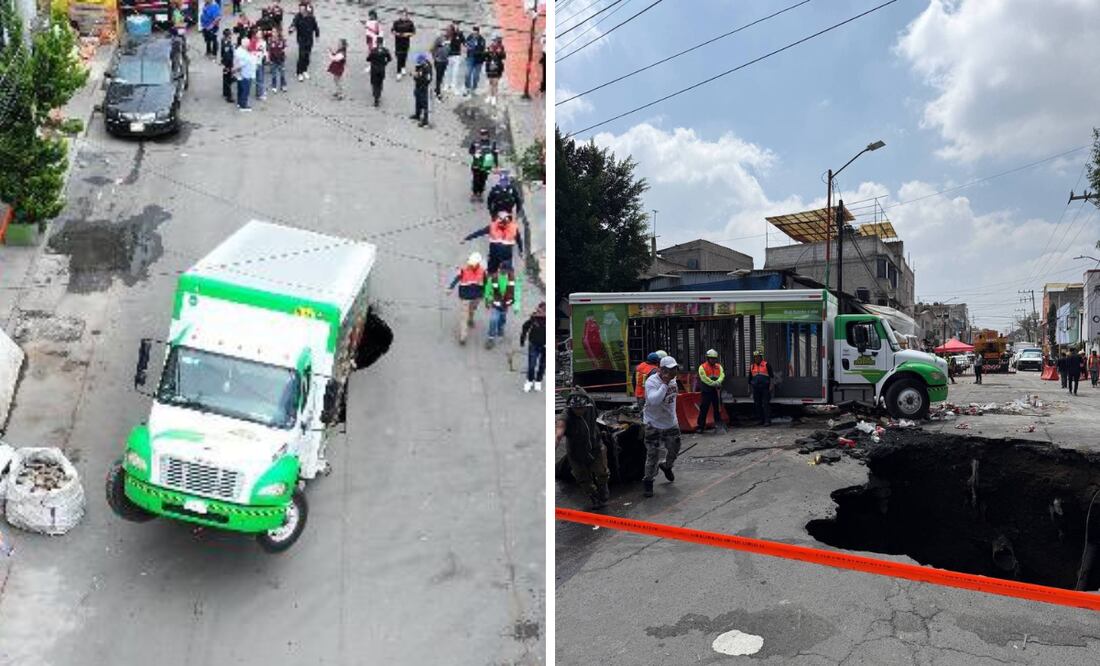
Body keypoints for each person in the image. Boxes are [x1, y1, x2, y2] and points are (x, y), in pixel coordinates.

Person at [556, 391, 610, 509]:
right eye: (576, 409)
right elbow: (559, 432)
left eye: (581, 408)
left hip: (594, 447)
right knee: (583, 478)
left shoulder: (590, 407)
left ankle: (603, 488)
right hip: (576, 453)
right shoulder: (566, 416)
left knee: (602, 472)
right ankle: (594, 496)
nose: (579, 411)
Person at [643, 355, 681, 498]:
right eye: (670, 370)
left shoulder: (673, 380)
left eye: (674, 370)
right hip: (654, 424)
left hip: (671, 423)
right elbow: (654, 401)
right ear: (662, 370)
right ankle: (648, 481)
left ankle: (667, 466)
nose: (673, 373)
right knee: (652, 455)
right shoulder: (652, 382)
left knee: (674, 449)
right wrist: (664, 383)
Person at [464, 209, 523, 274]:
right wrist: (521, 250)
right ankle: (510, 279)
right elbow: (519, 240)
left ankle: (493, 276)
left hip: (495, 254)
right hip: (506, 254)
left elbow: (479, 232)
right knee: (509, 270)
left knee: (492, 270)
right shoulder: (513, 227)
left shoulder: (493, 226)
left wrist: (467, 238)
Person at [447, 251, 486, 345]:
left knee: (472, 310)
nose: (470, 265)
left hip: (476, 297)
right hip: (465, 296)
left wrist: (486, 295)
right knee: (464, 316)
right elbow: (456, 279)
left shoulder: (483, 271)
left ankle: (471, 318)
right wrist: (450, 288)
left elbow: (486, 283)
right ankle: (463, 336)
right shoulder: (464, 270)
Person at [483, 261, 519, 349]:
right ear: (500, 269)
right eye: (503, 270)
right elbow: (487, 289)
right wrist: (487, 300)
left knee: (502, 319)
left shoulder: (514, 280)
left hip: (505, 304)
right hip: (495, 303)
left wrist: (516, 306)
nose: (504, 272)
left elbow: (517, 292)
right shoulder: (493, 278)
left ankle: (500, 329)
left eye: (506, 270)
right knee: (493, 319)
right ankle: (491, 338)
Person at [696, 349, 726, 433]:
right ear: (708, 358)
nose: (713, 360)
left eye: (714, 358)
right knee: (704, 408)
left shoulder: (719, 366)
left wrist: (718, 381)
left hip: (716, 391)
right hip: (706, 391)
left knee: (717, 409)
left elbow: (722, 375)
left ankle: (718, 425)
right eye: (711, 358)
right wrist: (714, 383)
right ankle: (700, 426)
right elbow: (704, 378)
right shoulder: (702, 367)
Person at [520, 302, 546, 392]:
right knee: (532, 364)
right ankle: (529, 381)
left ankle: (538, 381)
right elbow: (525, 327)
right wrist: (522, 339)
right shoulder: (534, 318)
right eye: (540, 309)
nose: (541, 312)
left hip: (545, 346)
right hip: (533, 344)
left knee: (542, 365)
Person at [289, 2, 318, 81]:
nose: (301, 10)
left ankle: (305, 70)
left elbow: (315, 26)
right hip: (301, 39)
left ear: (305, 9)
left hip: (309, 39)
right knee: (301, 56)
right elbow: (293, 24)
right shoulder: (297, 17)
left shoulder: (311, 17)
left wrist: (317, 35)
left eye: (302, 9)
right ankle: (299, 73)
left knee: (307, 56)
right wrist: (291, 29)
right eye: (300, 9)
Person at [468, 127, 497, 200]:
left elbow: (494, 154)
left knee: (483, 180)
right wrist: (474, 154)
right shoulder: (475, 142)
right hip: (476, 165)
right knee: (476, 180)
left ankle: (480, 193)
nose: (483, 136)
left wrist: (495, 164)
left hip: (486, 165)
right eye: (482, 135)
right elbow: (471, 151)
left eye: (485, 135)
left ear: (488, 135)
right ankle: (474, 193)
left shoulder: (492, 143)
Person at [367, 37, 393, 107]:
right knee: (380, 82)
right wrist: (385, 63)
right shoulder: (385, 50)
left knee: (374, 83)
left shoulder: (373, 50)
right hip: (381, 69)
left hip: (374, 69)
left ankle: (376, 98)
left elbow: (368, 59)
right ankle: (379, 94)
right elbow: (390, 59)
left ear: (376, 43)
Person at [749, 351, 773, 426]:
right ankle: (761, 420)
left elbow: (771, 376)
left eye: (758, 357)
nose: (757, 358)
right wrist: (749, 389)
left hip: (765, 388)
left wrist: (771, 386)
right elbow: (750, 379)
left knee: (765, 404)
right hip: (756, 388)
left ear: (761, 357)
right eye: (755, 357)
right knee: (757, 404)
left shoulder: (766, 365)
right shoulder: (752, 366)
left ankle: (767, 421)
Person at [232, 39, 256, 110]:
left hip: (242, 74)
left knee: (241, 89)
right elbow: (240, 64)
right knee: (245, 90)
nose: (249, 45)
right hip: (245, 74)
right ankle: (243, 105)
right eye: (248, 43)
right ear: (244, 44)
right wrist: (235, 69)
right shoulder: (241, 53)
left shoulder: (239, 50)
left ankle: (240, 103)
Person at [391, 7, 416, 79]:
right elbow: (392, 30)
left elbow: (413, 32)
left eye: (405, 15)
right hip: (398, 42)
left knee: (405, 55)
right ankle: (398, 72)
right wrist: (396, 33)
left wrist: (407, 34)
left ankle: (403, 67)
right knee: (399, 56)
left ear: (407, 15)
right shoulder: (396, 22)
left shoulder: (410, 23)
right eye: (402, 15)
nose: (403, 16)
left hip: (406, 42)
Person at [410, 53, 432, 127]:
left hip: (423, 87)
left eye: (419, 61)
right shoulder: (420, 66)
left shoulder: (427, 67)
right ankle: (417, 115)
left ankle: (425, 120)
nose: (417, 62)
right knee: (418, 101)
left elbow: (427, 79)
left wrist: (416, 76)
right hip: (418, 86)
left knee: (424, 104)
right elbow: (418, 72)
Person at [463, 25, 485, 95]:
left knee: (476, 76)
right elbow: (465, 43)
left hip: (478, 61)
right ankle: (467, 88)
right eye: (473, 33)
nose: (474, 34)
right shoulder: (470, 37)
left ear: (478, 33)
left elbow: (481, 50)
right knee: (467, 74)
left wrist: (473, 48)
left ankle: (474, 89)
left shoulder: (482, 40)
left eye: (476, 33)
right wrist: (466, 46)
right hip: (470, 58)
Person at [483, 35, 505, 106]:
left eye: (494, 40)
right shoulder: (489, 47)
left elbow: (504, 57)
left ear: (497, 41)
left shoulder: (501, 47)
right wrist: (487, 52)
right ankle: (489, 96)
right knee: (490, 82)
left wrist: (499, 53)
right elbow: (484, 56)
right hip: (490, 67)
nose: (493, 42)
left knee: (495, 83)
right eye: (492, 40)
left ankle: (494, 97)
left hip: (497, 67)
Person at [248, 27, 268, 102]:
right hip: (256, 62)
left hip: (262, 61)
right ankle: (259, 94)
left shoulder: (263, 41)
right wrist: (258, 52)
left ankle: (260, 91)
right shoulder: (253, 41)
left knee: (261, 77)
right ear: (255, 34)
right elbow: (251, 53)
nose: (260, 34)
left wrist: (266, 55)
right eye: (259, 33)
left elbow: (265, 50)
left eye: (261, 33)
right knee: (259, 78)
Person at [445, 20, 464, 93]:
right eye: (455, 24)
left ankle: (453, 86)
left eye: (458, 24)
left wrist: (465, 48)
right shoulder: (449, 32)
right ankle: (446, 85)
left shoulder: (460, 33)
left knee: (455, 72)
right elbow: (445, 41)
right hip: (449, 55)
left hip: (457, 55)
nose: (456, 26)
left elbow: (464, 42)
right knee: (448, 71)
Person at [268, 26, 288, 92]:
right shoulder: (270, 40)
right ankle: (274, 85)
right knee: (274, 74)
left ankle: (283, 85)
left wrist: (284, 51)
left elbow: (285, 47)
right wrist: (269, 58)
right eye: (272, 31)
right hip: (273, 60)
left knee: (282, 73)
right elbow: (269, 50)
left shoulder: (281, 40)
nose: (273, 33)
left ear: (278, 32)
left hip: (281, 59)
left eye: (274, 31)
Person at [220, 28, 236, 102]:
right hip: (228, 64)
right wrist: (229, 65)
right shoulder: (227, 43)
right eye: (230, 34)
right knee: (228, 80)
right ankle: (229, 96)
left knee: (225, 78)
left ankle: (225, 92)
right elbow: (227, 55)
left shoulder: (224, 40)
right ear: (228, 35)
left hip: (225, 63)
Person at [432, 34, 449, 101]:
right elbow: (432, 49)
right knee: (438, 77)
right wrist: (435, 57)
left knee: (441, 76)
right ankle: (438, 92)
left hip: (444, 61)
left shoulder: (448, 43)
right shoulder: (439, 42)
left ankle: (437, 89)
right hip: (439, 62)